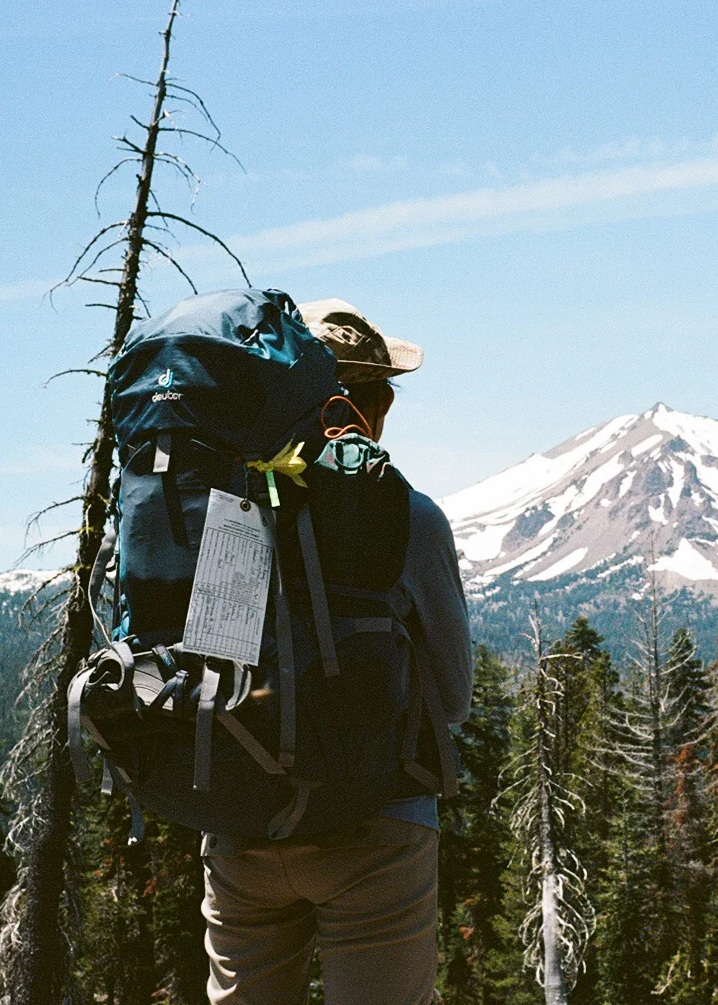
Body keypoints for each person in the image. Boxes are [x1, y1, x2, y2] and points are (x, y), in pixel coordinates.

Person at [200, 297, 472, 1005]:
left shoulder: (220, 508)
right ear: (364, 410)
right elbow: (453, 696)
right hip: (375, 825)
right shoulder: (406, 514)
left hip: (240, 824)